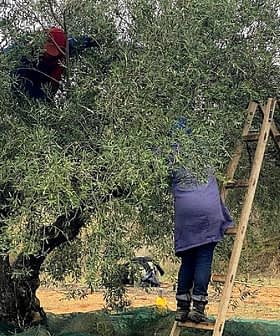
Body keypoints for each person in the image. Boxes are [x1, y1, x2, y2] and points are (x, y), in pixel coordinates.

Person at [169, 118, 234, 323]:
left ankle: (181, 308)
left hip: (185, 214)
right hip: (207, 212)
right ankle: (198, 308)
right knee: (204, 257)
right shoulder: (203, 147)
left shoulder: (171, 155)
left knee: (188, 258)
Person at [7, 27, 97, 101]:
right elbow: (21, 88)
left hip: (46, 81)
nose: (48, 55)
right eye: (47, 51)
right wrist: (45, 101)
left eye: (53, 52)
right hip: (23, 82)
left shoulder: (65, 47)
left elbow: (83, 41)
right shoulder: (21, 56)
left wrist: (100, 39)